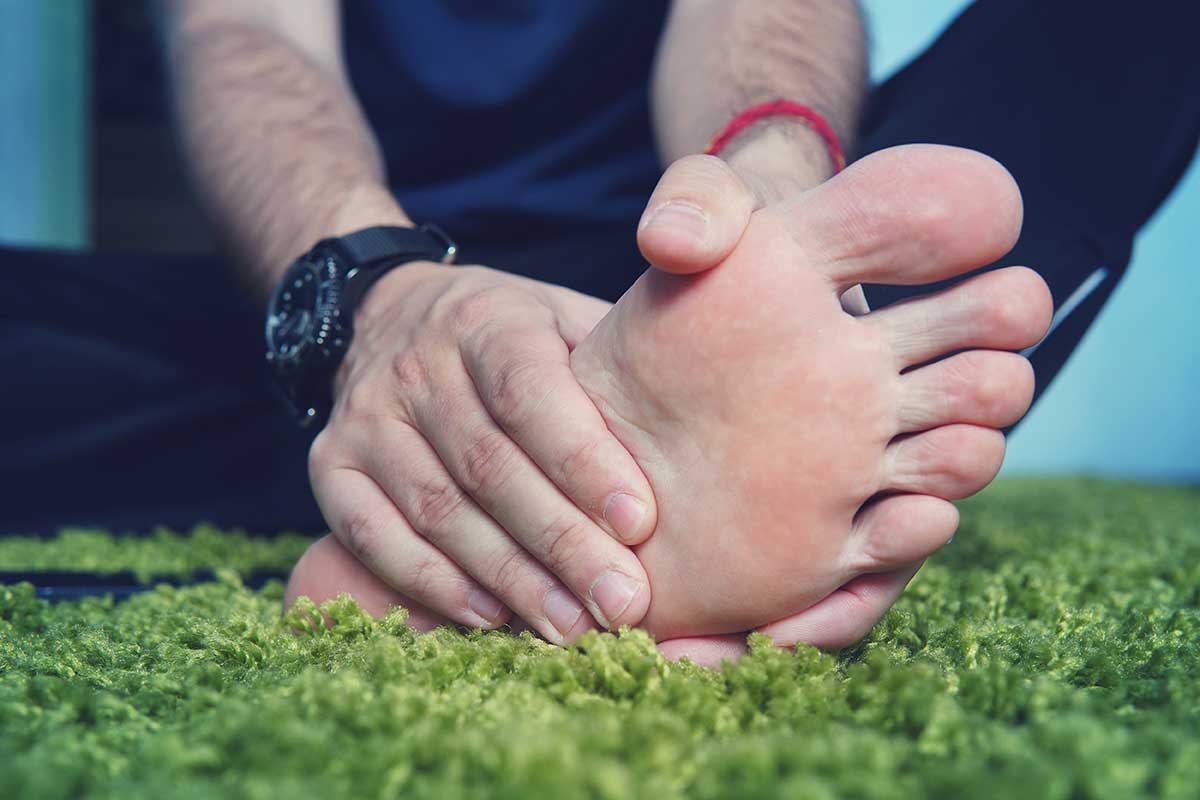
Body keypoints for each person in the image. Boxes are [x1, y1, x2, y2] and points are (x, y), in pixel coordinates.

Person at [6, 1, 1197, 663]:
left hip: (659, 294)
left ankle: (711, 403)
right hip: (352, 305)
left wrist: (761, 202)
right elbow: (246, 32)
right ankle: (532, 470)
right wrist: (374, 298)